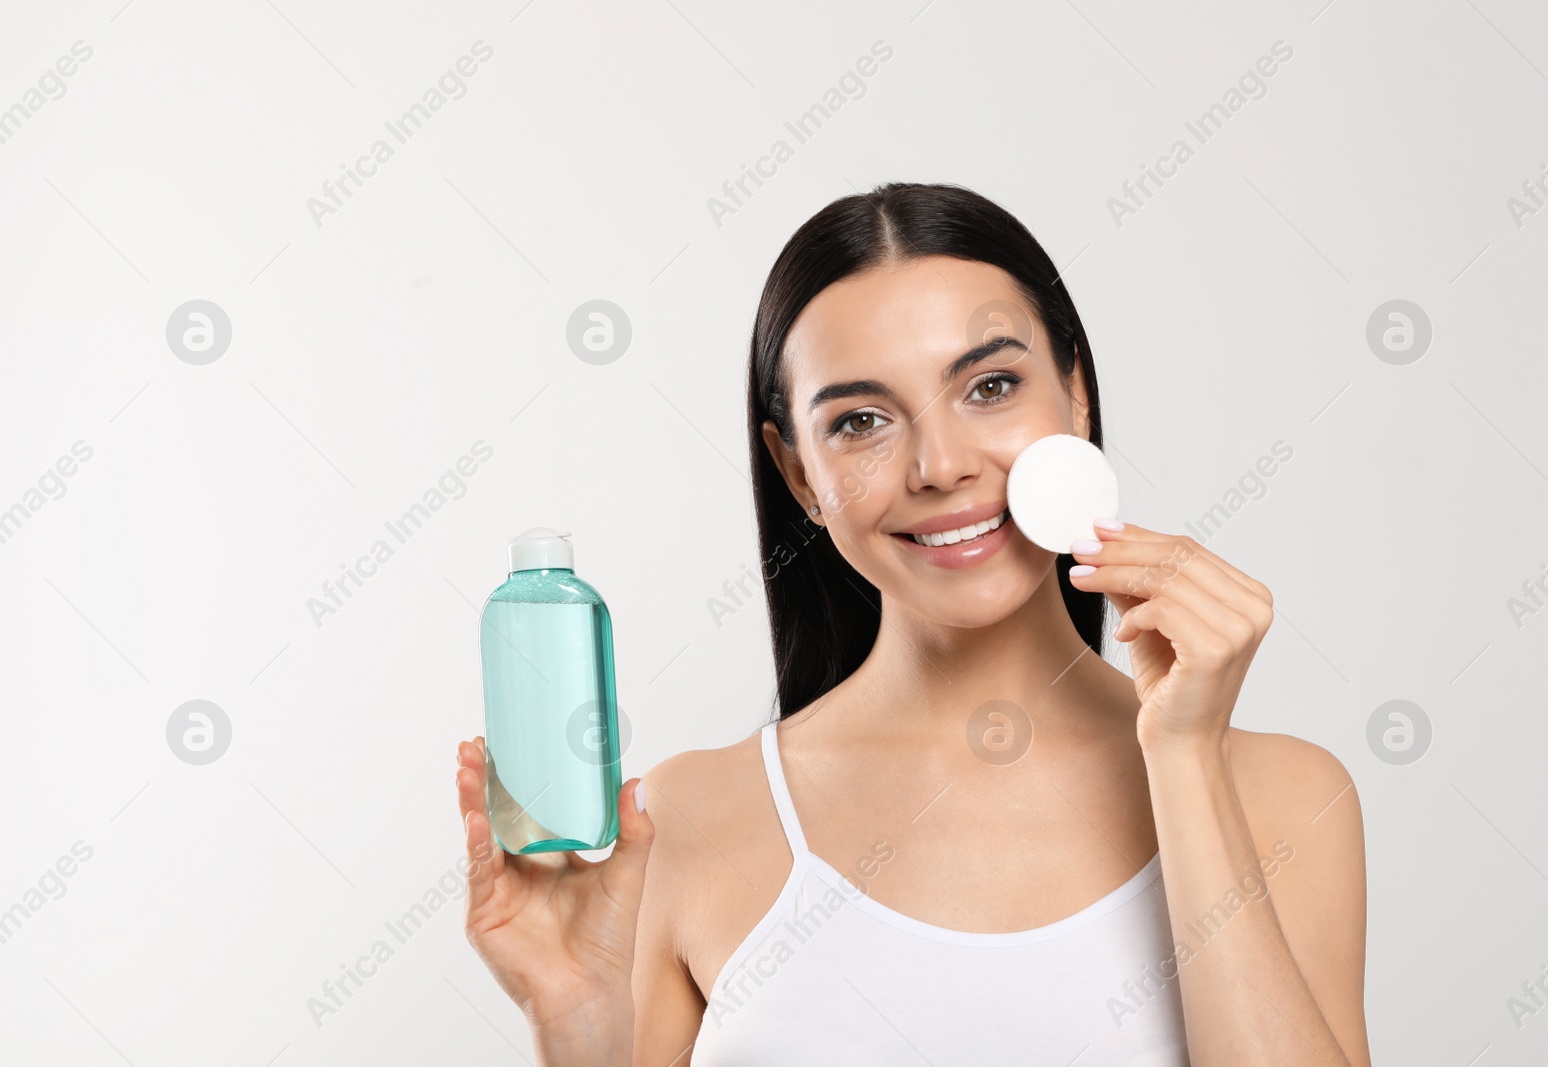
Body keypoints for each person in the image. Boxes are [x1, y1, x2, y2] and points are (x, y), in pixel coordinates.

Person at [454, 183, 1369, 1065]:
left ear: (1076, 396)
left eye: (990, 387)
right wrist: (575, 1026)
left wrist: (1184, 759)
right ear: (801, 475)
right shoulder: (685, 819)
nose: (938, 465)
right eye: (860, 420)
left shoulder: (1286, 797)